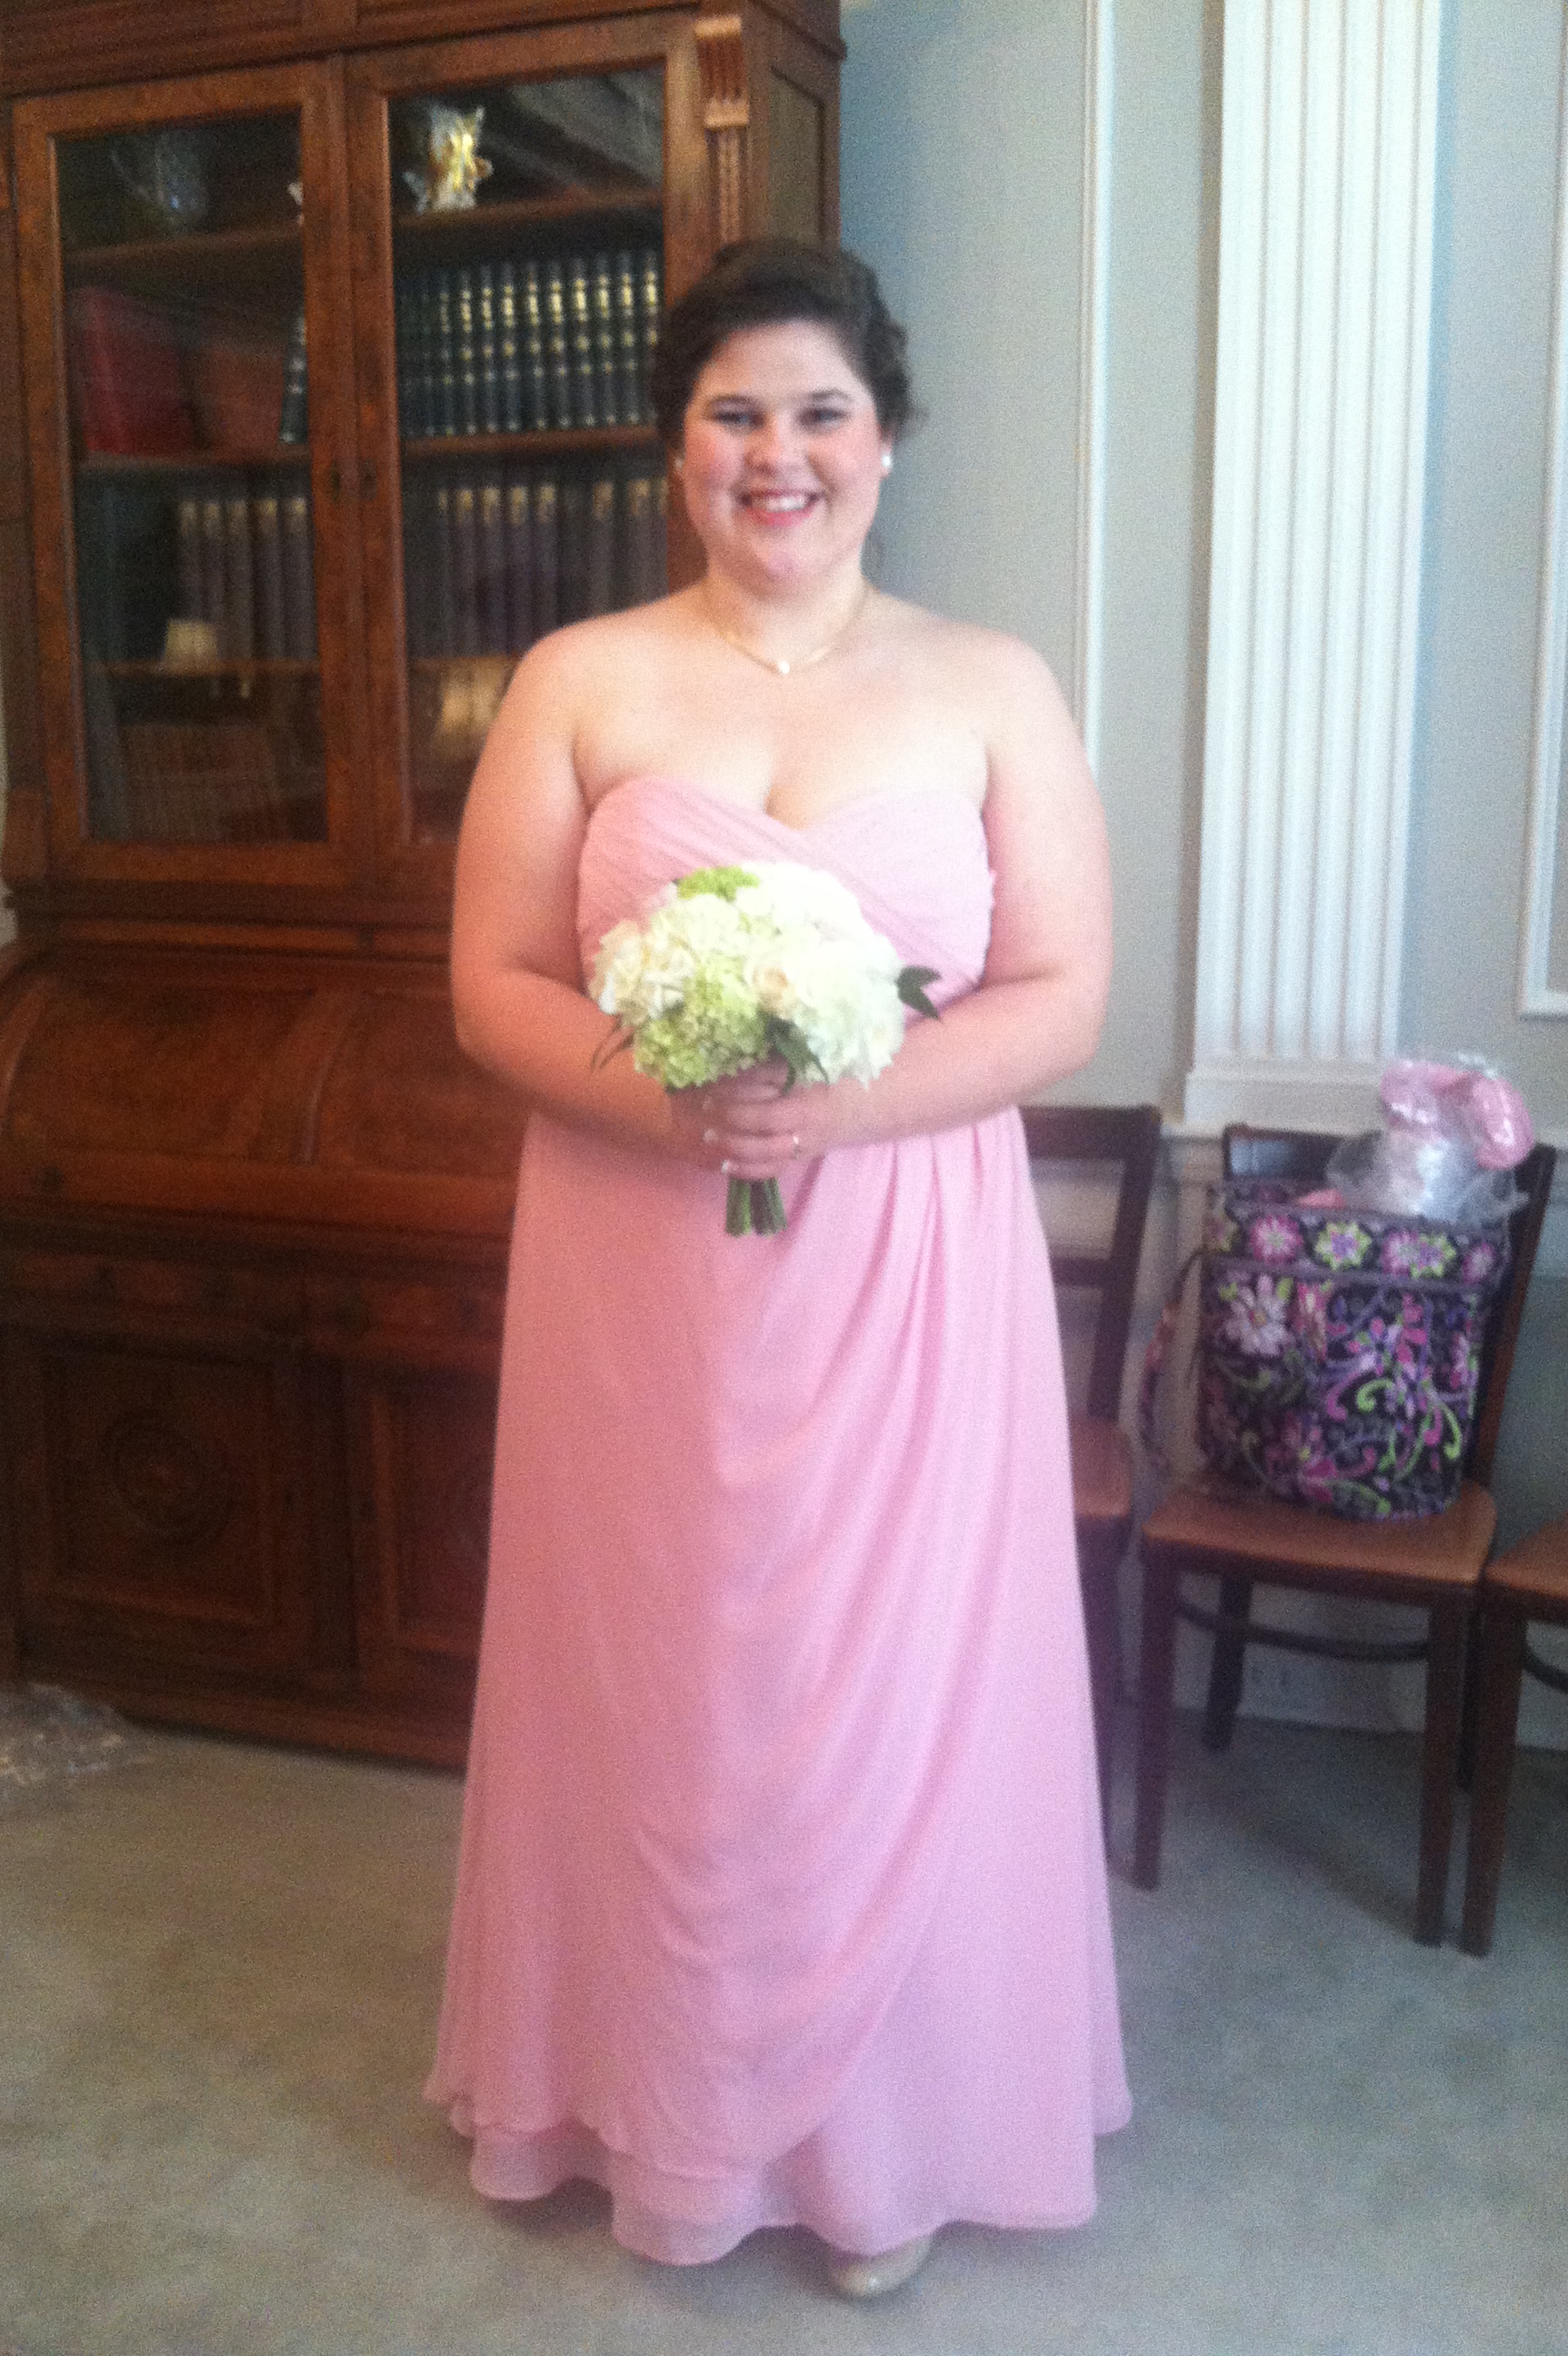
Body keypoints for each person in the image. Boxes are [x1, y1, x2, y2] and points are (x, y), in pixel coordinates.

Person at [425, 237, 1129, 2298]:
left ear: (885, 441)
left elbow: (1061, 990)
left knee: (886, 1679)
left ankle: (879, 2146)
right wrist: (673, 1109)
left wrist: (837, 1106)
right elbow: (493, 981)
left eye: (820, 410)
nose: (778, 452)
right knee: (659, 1672)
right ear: (678, 451)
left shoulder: (991, 683)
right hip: (636, 1259)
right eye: (733, 413)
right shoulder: (578, 678)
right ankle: (641, 2104)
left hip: (908, 1259)